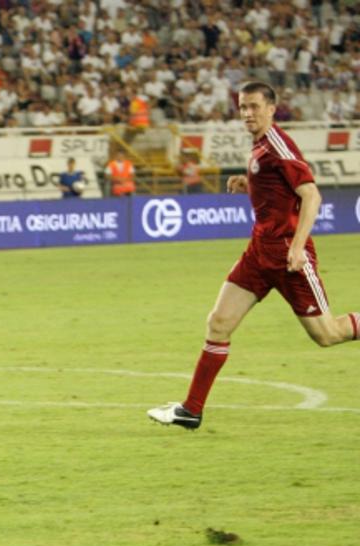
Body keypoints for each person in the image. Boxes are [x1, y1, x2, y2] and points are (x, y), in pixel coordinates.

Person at [148, 82, 360, 430]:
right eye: (243, 107)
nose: (247, 113)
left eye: (254, 107)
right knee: (218, 323)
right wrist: (247, 183)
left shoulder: (277, 144)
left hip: (289, 257)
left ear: (272, 108)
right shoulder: (260, 146)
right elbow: (278, 186)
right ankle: (191, 410)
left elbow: (311, 196)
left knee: (328, 334)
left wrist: (296, 247)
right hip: (259, 253)